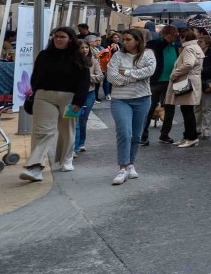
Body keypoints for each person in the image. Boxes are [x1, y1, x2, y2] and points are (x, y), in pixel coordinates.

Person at [19, 27, 90, 181]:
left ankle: (67, 158)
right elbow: (35, 76)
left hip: (70, 99)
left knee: (67, 130)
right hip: (44, 97)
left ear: (70, 39)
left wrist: (79, 101)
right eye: (56, 36)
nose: (57, 39)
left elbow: (84, 82)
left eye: (62, 37)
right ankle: (35, 167)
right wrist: (37, 91)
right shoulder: (44, 55)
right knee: (42, 131)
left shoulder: (79, 57)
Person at [104, 29, 157, 185]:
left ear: (137, 40)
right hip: (121, 99)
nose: (124, 42)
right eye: (123, 39)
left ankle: (130, 164)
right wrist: (135, 77)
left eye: (128, 39)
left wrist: (126, 72)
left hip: (142, 98)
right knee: (124, 133)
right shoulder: (117, 55)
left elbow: (149, 71)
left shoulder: (148, 54)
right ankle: (122, 167)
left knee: (136, 135)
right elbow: (112, 77)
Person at [164, 27, 204, 148]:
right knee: (187, 109)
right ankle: (187, 136)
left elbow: (188, 64)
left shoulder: (188, 48)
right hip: (192, 81)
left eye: (180, 37)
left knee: (187, 111)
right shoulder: (195, 46)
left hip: (187, 81)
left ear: (184, 37)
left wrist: (174, 74)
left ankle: (191, 137)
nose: (179, 39)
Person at [143, 24, 180, 145]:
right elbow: (155, 48)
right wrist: (165, 41)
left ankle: (165, 135)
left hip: (171, 81)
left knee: (170, 109)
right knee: (150, 108)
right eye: (173, 34)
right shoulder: (154, 43)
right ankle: (143, 135)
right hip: (156, 81)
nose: (175, 37)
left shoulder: (175, 46)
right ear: (165, 34)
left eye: (176, 35)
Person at [74, 39, 103, 156]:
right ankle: (74, 148)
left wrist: (86, 76)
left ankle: (81, 142)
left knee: (82, 119)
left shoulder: (93, 61)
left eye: (86, 47)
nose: (84, 50)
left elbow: (100, 77)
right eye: (81, 47)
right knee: (74, 120)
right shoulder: (72, 61)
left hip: (89, 94)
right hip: (74, 95)